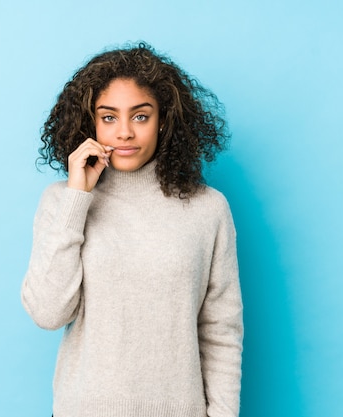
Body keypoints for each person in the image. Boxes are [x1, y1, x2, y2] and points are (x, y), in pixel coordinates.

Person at [21, 42, 243, 417]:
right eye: (109, 117)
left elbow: (221, 331)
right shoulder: (62, 202)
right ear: (89, 122)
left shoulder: (209, 209)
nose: (124, 132)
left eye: (140, 116)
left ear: (164, 120)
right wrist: (78, 197)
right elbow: (47, 313)